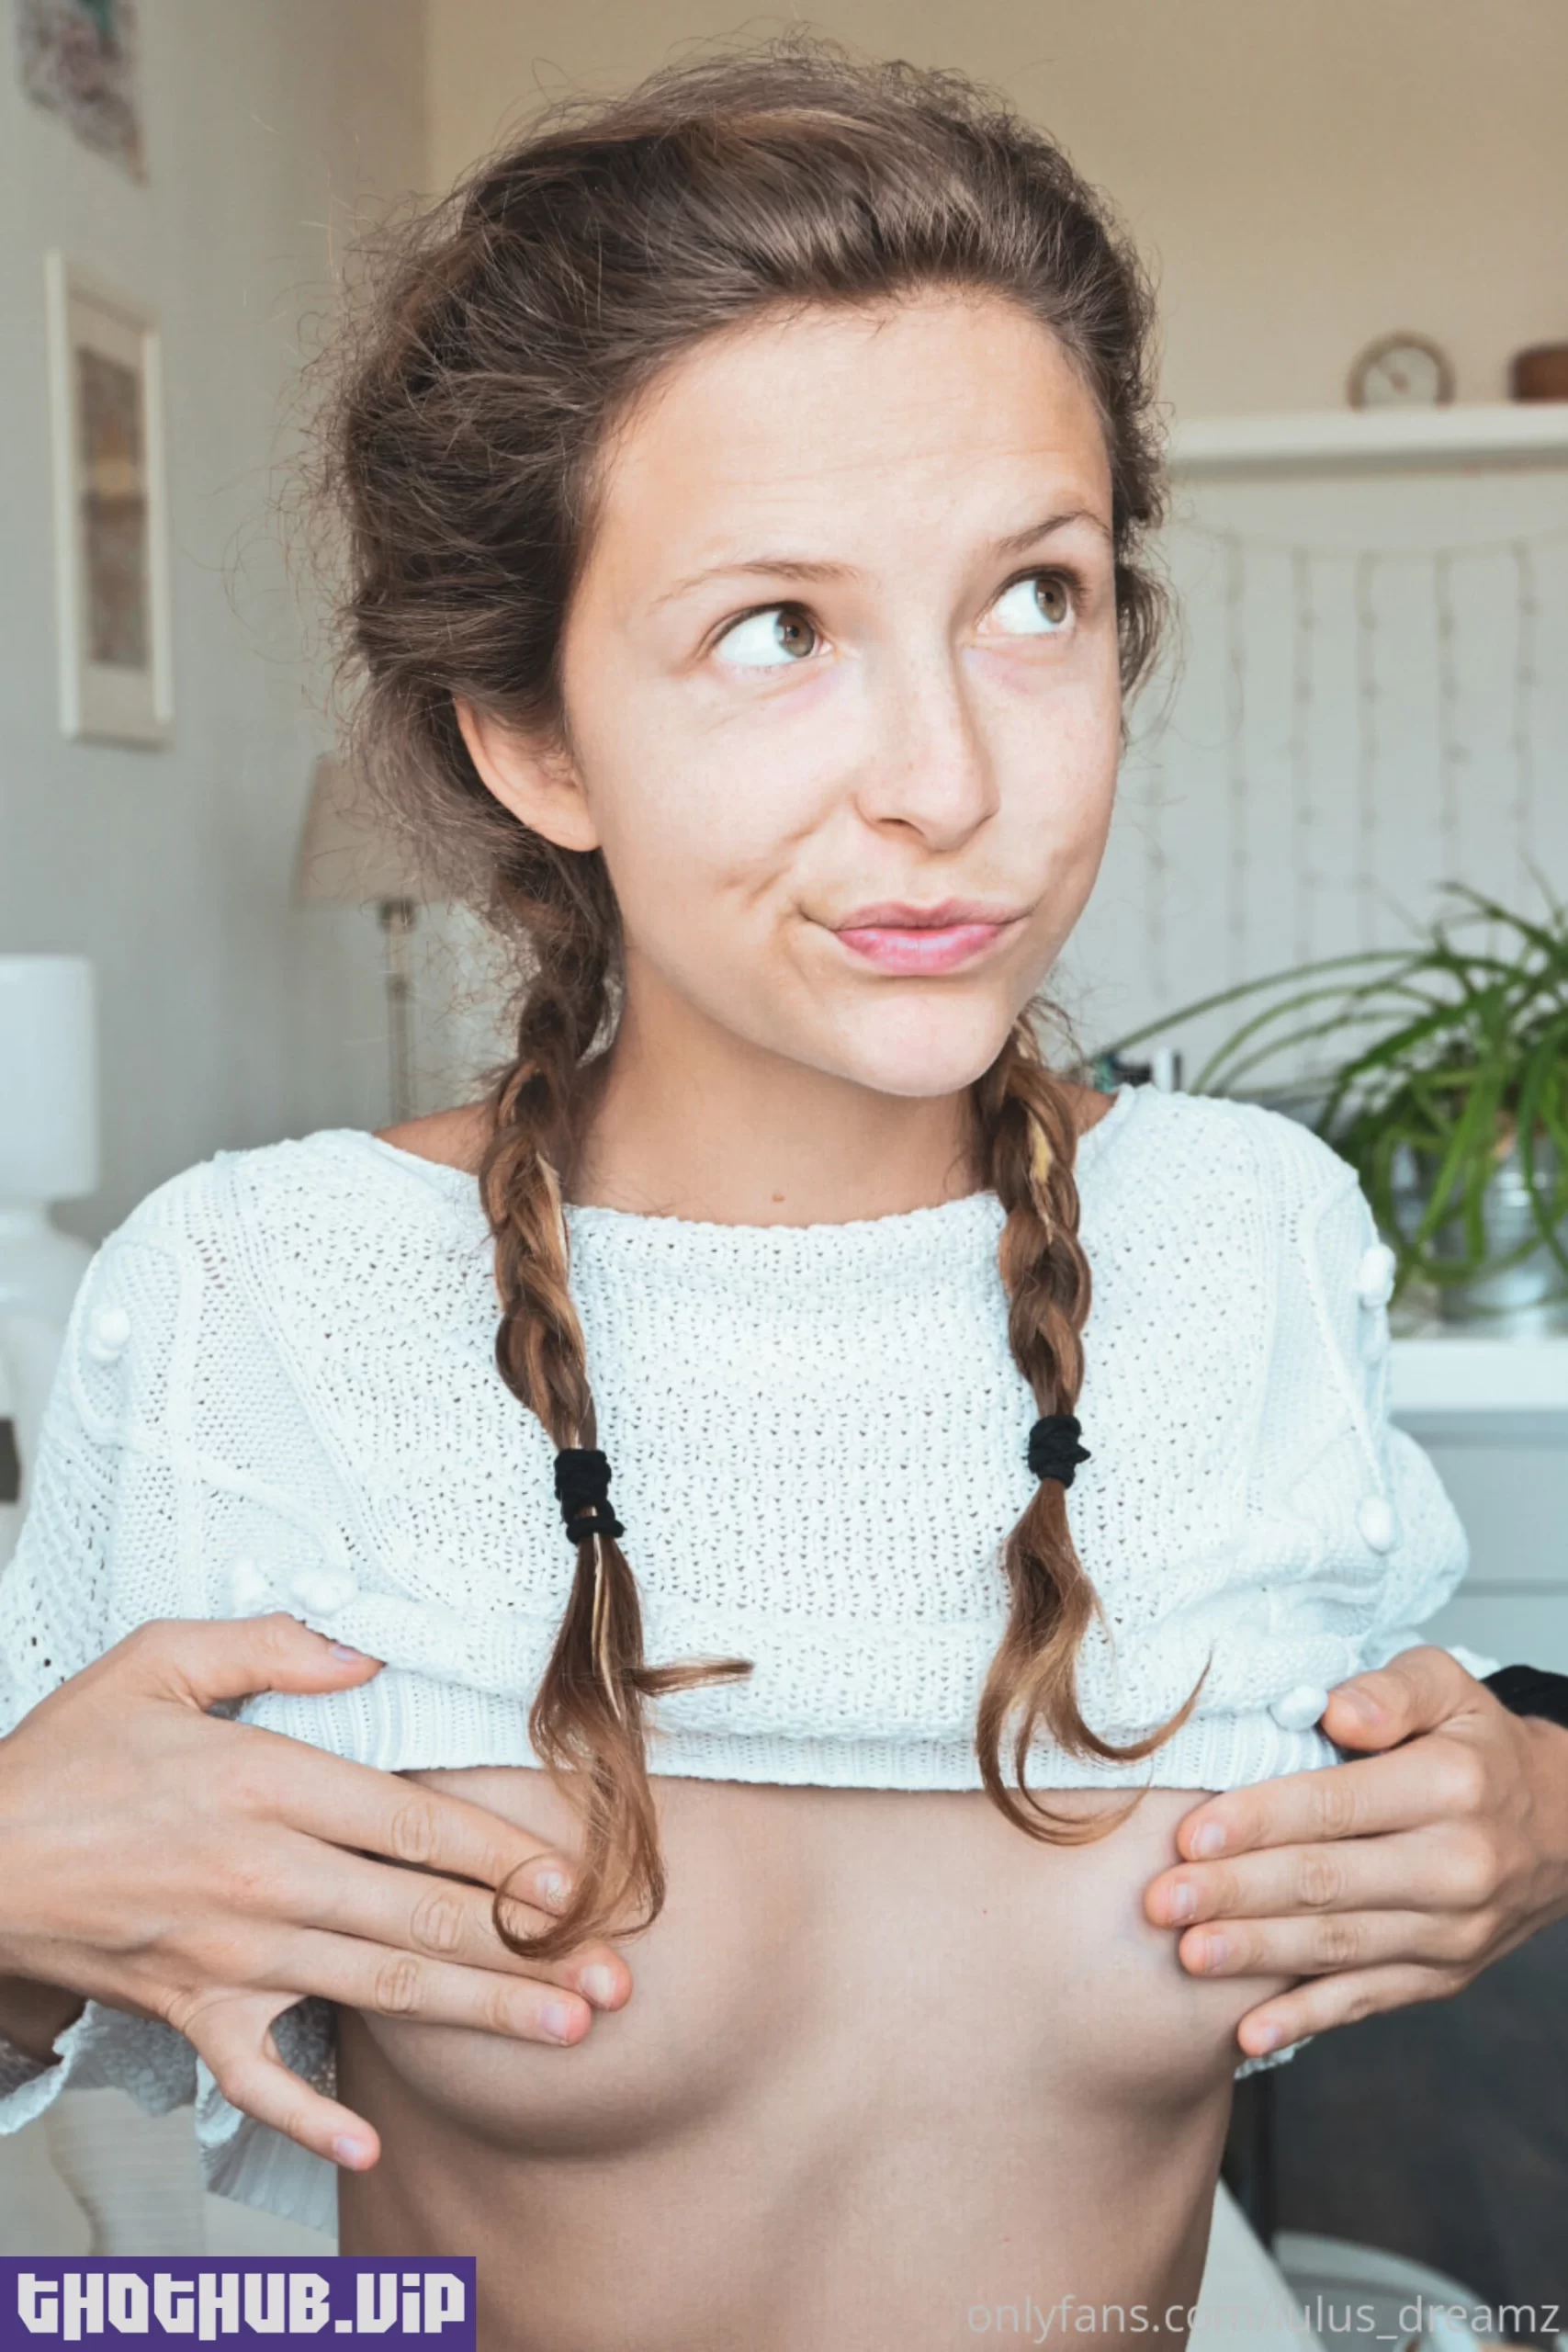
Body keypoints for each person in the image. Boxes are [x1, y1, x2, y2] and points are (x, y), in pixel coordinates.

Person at [3, 41, 1567, 2347]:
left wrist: (1541, 1791)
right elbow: (74, 2072)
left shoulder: (1252, 1239)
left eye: (1034, 596)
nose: (947, 775)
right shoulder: (269, 1295)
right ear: (531, 737)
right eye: (776, 630)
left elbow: (1433, 1744)